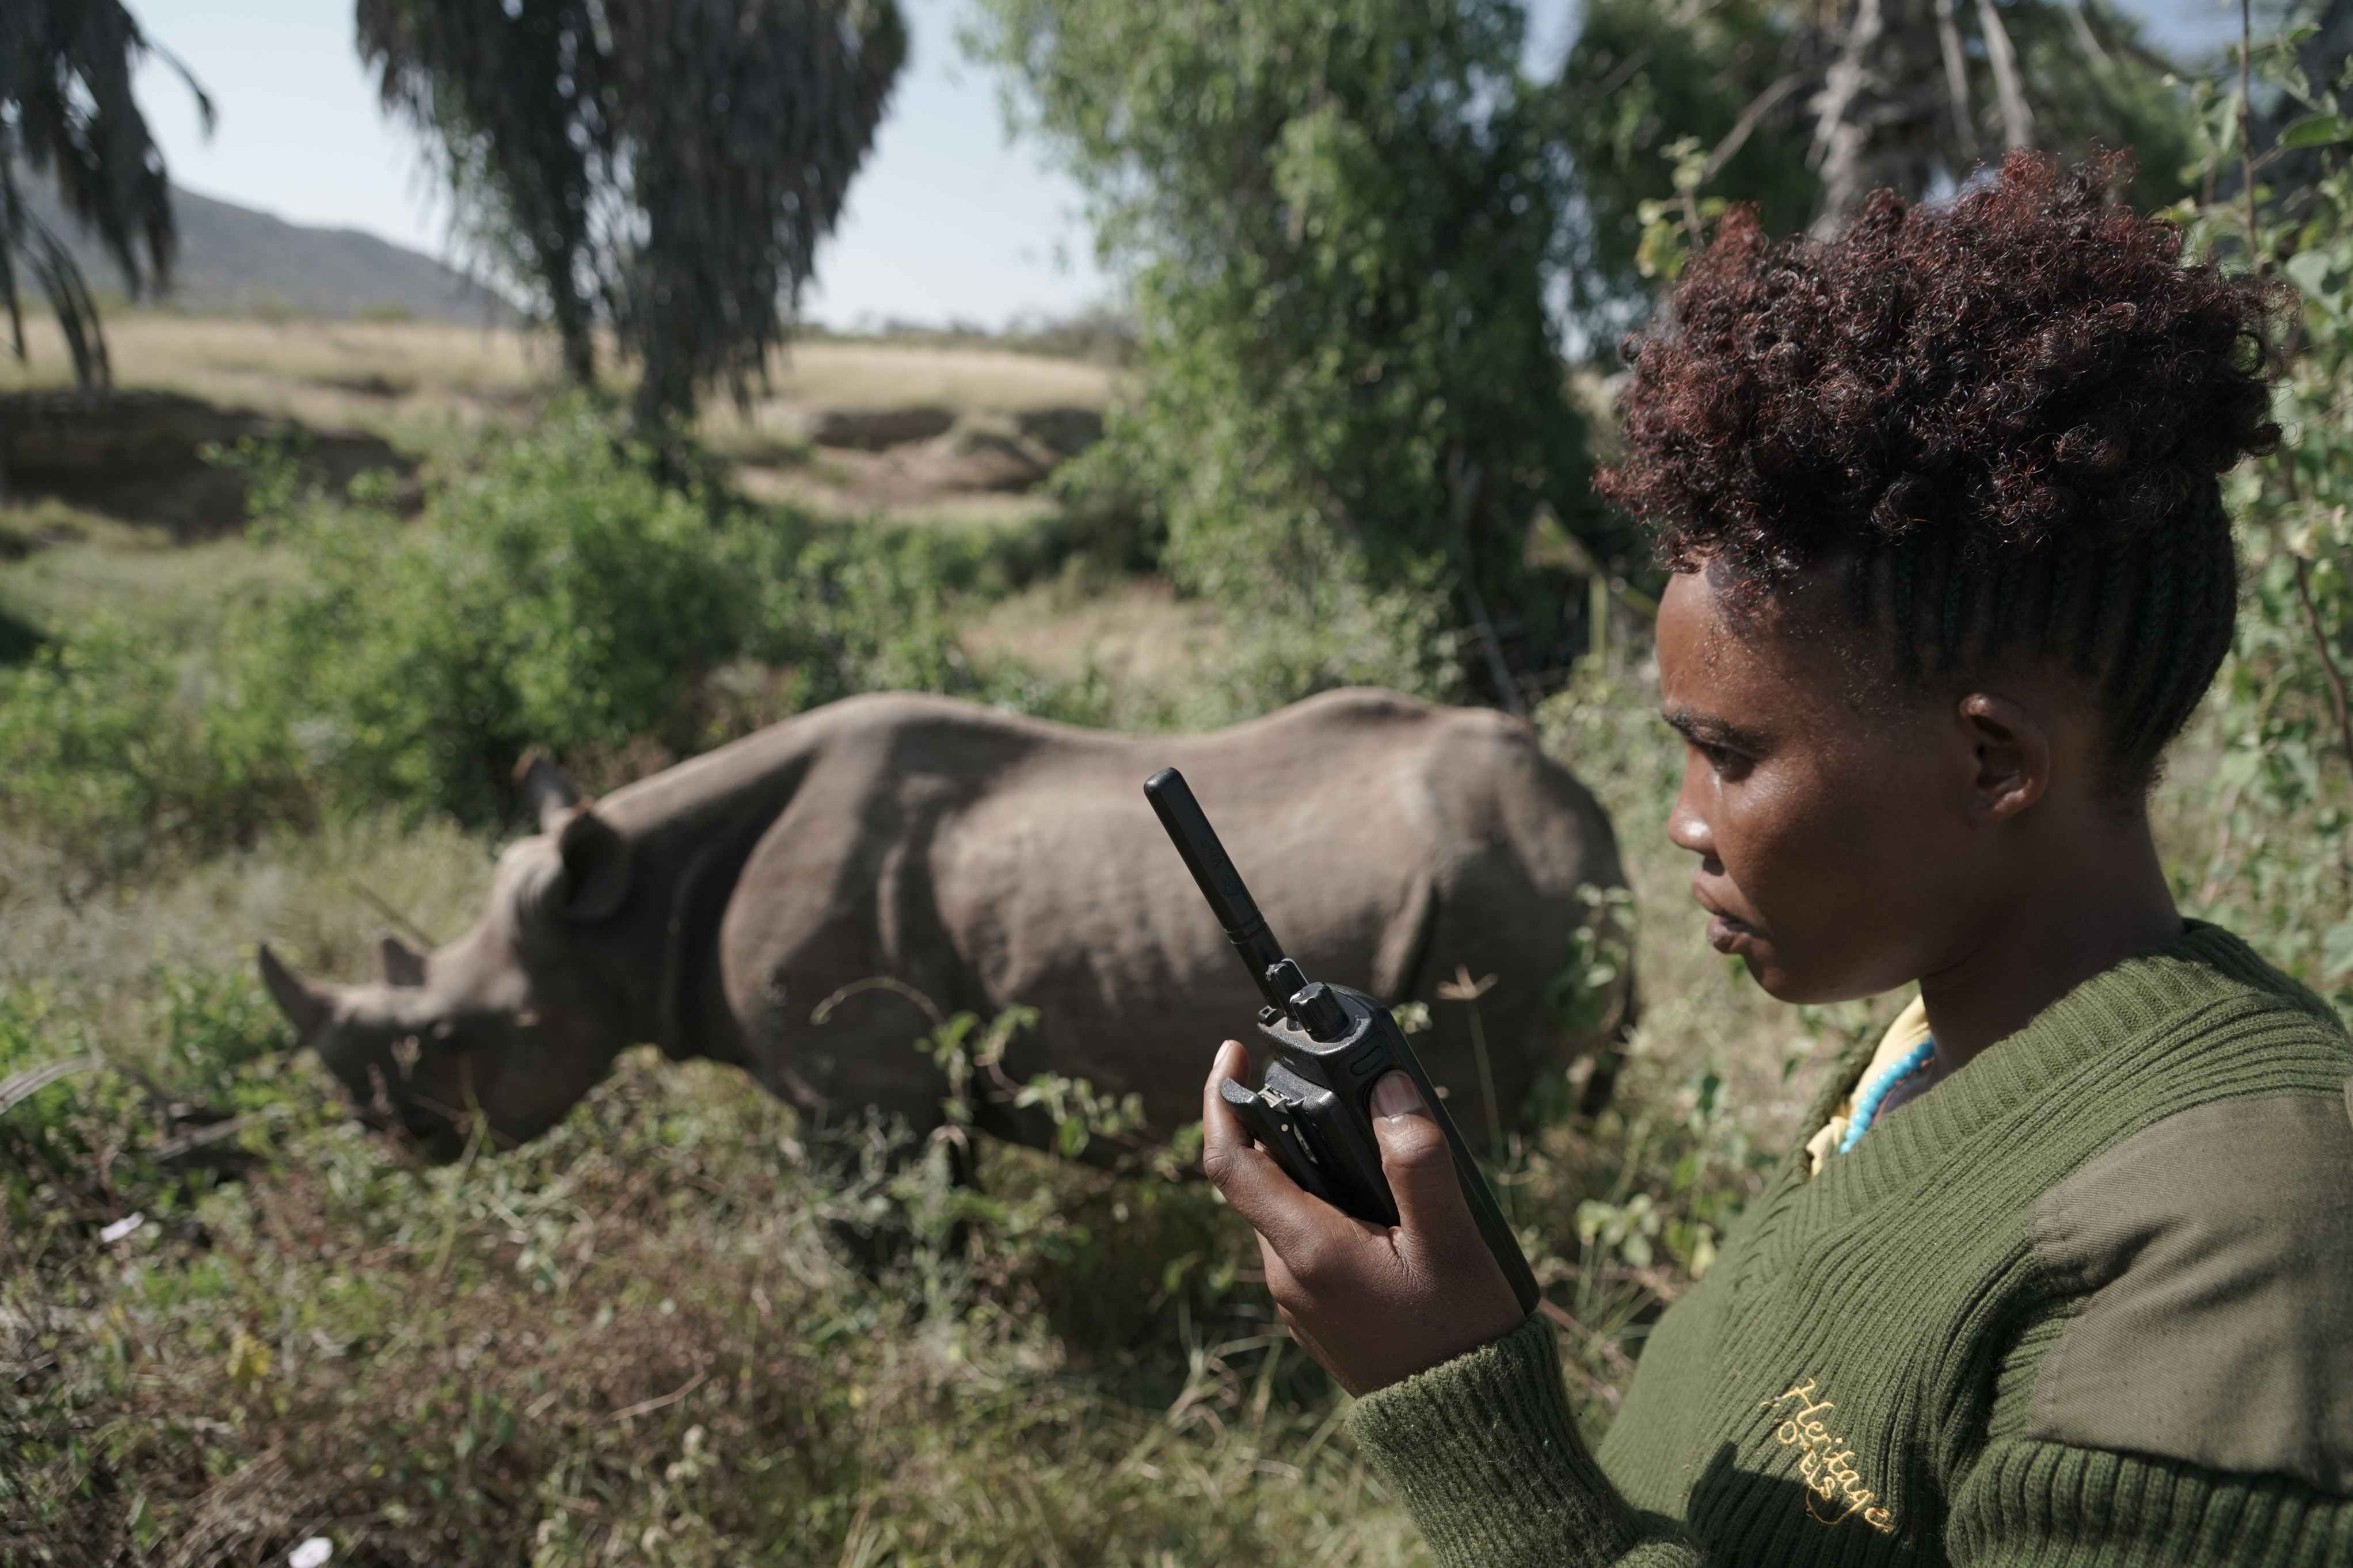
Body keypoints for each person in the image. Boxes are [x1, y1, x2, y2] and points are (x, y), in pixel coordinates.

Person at [1201, 151, 2353, 1566]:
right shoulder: (1935, 1042)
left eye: (1729, 755)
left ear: (1992, 763)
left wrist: (1458, 1406)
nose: (1683, 819)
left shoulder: (2236, 1257)